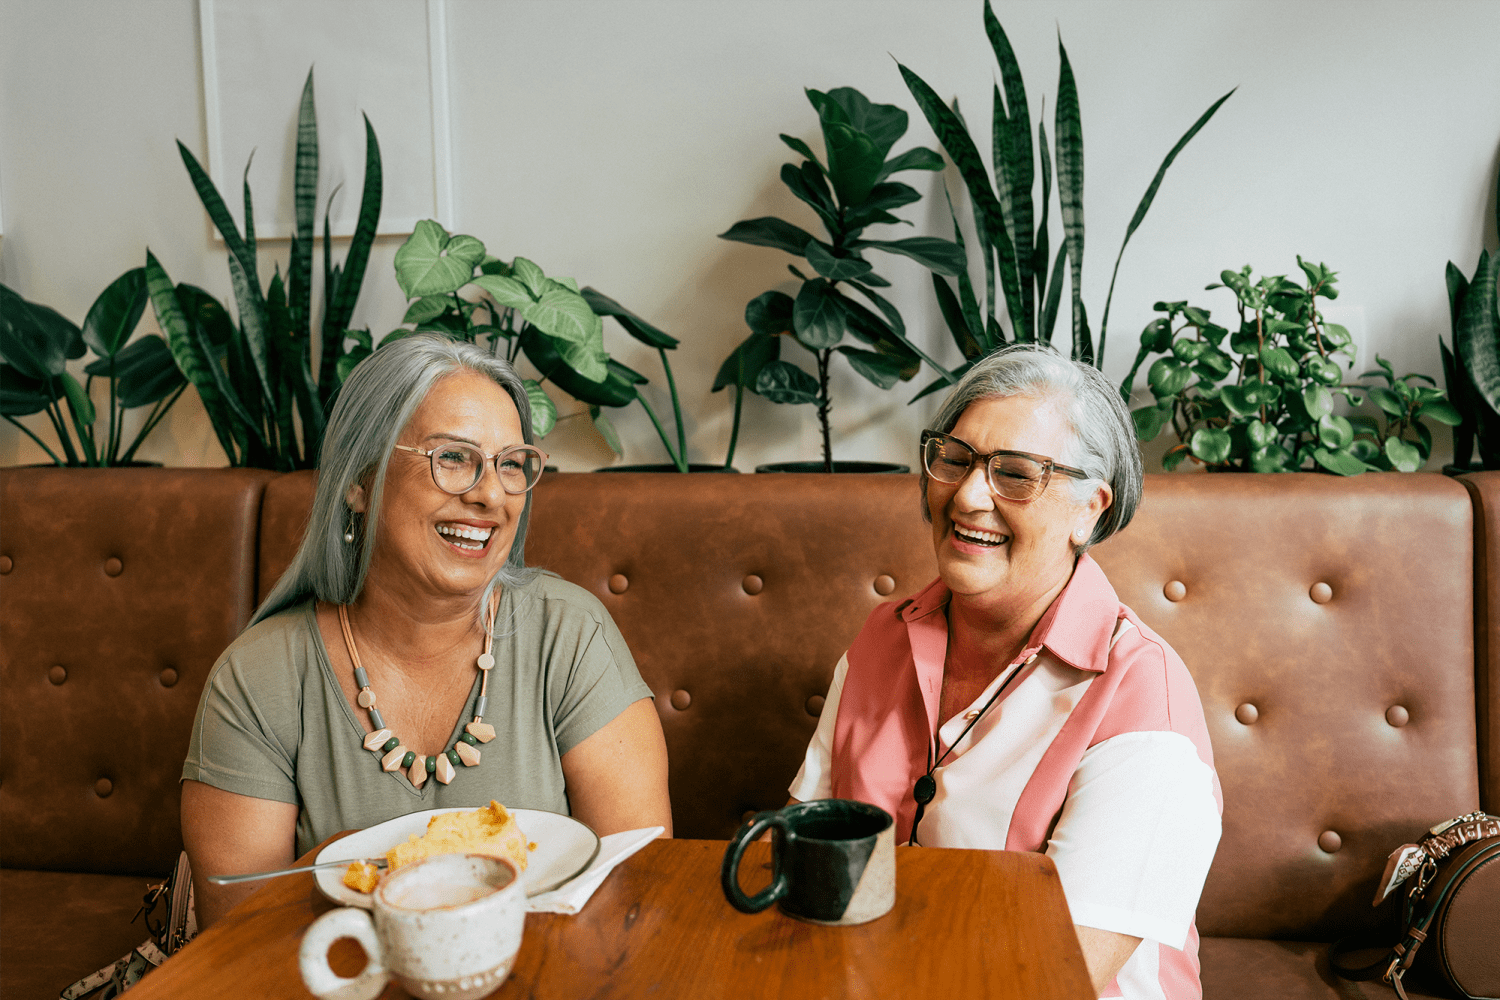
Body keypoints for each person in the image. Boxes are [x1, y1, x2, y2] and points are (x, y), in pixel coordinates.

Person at [181, 334, 671, 928]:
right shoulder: (259, 677)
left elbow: (637, 899)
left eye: (511, 464)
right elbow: (241, 949)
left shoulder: (569, 636)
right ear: (360, 481)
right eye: (454, 458)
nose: (491, 494)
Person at [789, 344, 1221, 999]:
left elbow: (1052, 978)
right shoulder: (884, 637)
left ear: (1090, 510)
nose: (966, 495)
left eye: (1016, 474)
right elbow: (805, 855)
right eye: (955, 459)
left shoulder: (1143, 703)